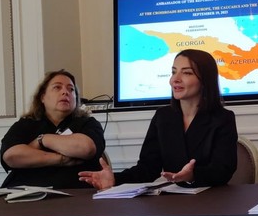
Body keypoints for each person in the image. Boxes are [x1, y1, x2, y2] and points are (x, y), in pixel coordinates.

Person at [79, 49, 237, 189]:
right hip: (173, 202)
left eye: (187, 73)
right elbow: (147, 169)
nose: (175, 79)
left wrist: (192, 175)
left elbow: (222, 170)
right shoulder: (163, 116)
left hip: (211, 200)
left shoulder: (223, 118)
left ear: (205, 80)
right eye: (174, 72)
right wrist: (115, 179)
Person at [0, 69, 105, 189]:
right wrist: (60, 159)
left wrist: (43, 140)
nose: (65, 92)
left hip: (77, 193)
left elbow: (86, 148)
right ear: (42, 97)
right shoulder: (25, 124)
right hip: (26, 193)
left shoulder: (87, 123)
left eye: (71, 89)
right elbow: (11, 156)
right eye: (57, 87)